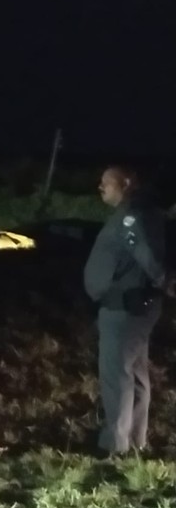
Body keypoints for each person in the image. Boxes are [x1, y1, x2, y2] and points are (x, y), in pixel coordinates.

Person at [82, 164, 170, 457]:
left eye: (106, 183)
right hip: (134, 306)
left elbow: (146, 254)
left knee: (117, 376)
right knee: (134, 374)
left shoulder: (132, 217)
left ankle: (115, 447)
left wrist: (167, 282)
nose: (100, 188)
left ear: (126, 182)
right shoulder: (140, 213)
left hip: (125, 308)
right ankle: (135, 441)